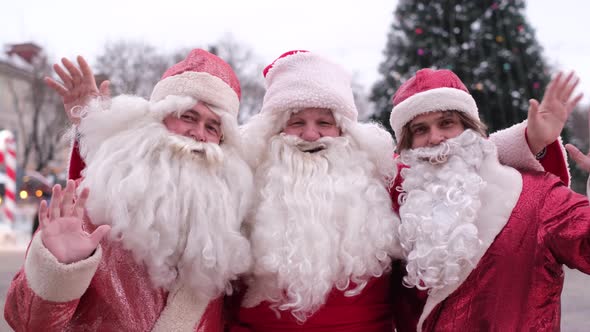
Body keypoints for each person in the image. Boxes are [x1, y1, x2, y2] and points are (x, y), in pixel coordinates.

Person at [229, 50, 572, 331]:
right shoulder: (246, 186)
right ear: (273, 131)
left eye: (324, 123)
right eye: (296, 122)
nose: (311, 135)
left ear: (346, 131)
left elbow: (454, 164)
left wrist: (530, 141)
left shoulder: (376, 182)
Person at [4, 49, 254, 332]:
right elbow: (25, 321)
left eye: (213, 127)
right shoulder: (98, 203)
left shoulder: (227, 225)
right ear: (158, 119)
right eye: (188, 117)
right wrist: (59, 269)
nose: (199, 133)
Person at [389, 68, 587, 331]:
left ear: (470, 129)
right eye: (420, 129)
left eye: (446, 123)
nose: (435, 138)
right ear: (407, 145)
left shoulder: (537, 197)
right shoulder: (396, 213)